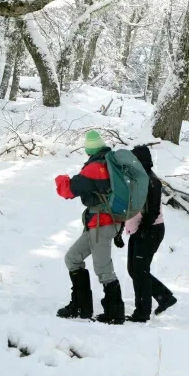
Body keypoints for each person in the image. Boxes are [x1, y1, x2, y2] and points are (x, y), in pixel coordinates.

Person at [54, 130, 124, 324]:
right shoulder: (111, 164)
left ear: (89, 150)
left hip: (103, 223)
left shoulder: (95, 168)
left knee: (104, 269)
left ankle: (114, 314)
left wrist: (59, 178)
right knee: (73, 258)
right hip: (102, 222)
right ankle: (80, 307)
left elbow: (68, 190)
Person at [122, 145, 177, 322]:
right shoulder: (138, 178)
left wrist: (142, 231)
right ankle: (164, 296)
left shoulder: (151, 181)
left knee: (140, 271)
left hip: (150, 230)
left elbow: (152, 212)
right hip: (141, 230)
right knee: (134, 270)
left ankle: (142, 313)